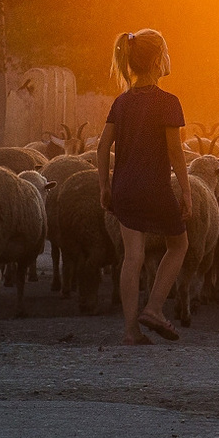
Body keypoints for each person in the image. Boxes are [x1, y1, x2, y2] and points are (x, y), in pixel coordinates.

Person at [93, 28, 191, 345]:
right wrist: (187, 191)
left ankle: (130, 330)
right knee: (179, 245)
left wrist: (104, 186)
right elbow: (175, 152)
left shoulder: (121, 103)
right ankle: (155, 309)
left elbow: (102, 146)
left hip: (124, 189)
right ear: (159, 59)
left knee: (132, 258)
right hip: (155, 189)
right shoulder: (168, 102)